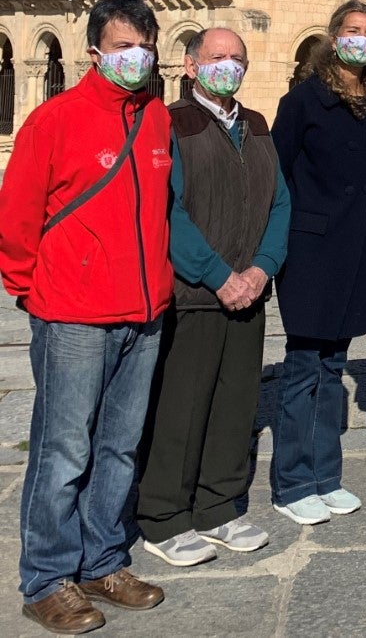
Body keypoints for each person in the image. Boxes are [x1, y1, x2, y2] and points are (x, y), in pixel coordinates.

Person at [0, 0, 171, 633]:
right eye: (124, 46)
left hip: (143, 311)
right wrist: (31, 288)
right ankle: (47, 580)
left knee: (119, 446)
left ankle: (102, 561)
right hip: (72, 312)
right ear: (95, 51)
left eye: (146, 47)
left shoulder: (155, 117)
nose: (137, 57)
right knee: (64, 448)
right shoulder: (55, 120)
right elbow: (17, 215)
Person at [136, 28, 290, 566]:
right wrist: (219, 275)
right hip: (196, 293)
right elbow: (167, 209)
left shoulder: (257, 125)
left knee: (236, 403)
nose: (229, 66)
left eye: (237, 58)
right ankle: (164, 517)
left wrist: (262, 269)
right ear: (190, 66)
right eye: (217, 57)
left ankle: (219, 506)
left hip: (250, 292)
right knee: (182, 405)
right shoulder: (172, 123)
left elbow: (280, 203)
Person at [269, 0, 366, 524]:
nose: (361, 39)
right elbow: (277, 174)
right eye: (353, 29)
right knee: (304, 365)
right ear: (333, 35)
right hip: (311, 248)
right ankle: (293, 483)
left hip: (356, 245)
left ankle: (326, 476)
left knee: (334, 366)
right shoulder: (303, 101)